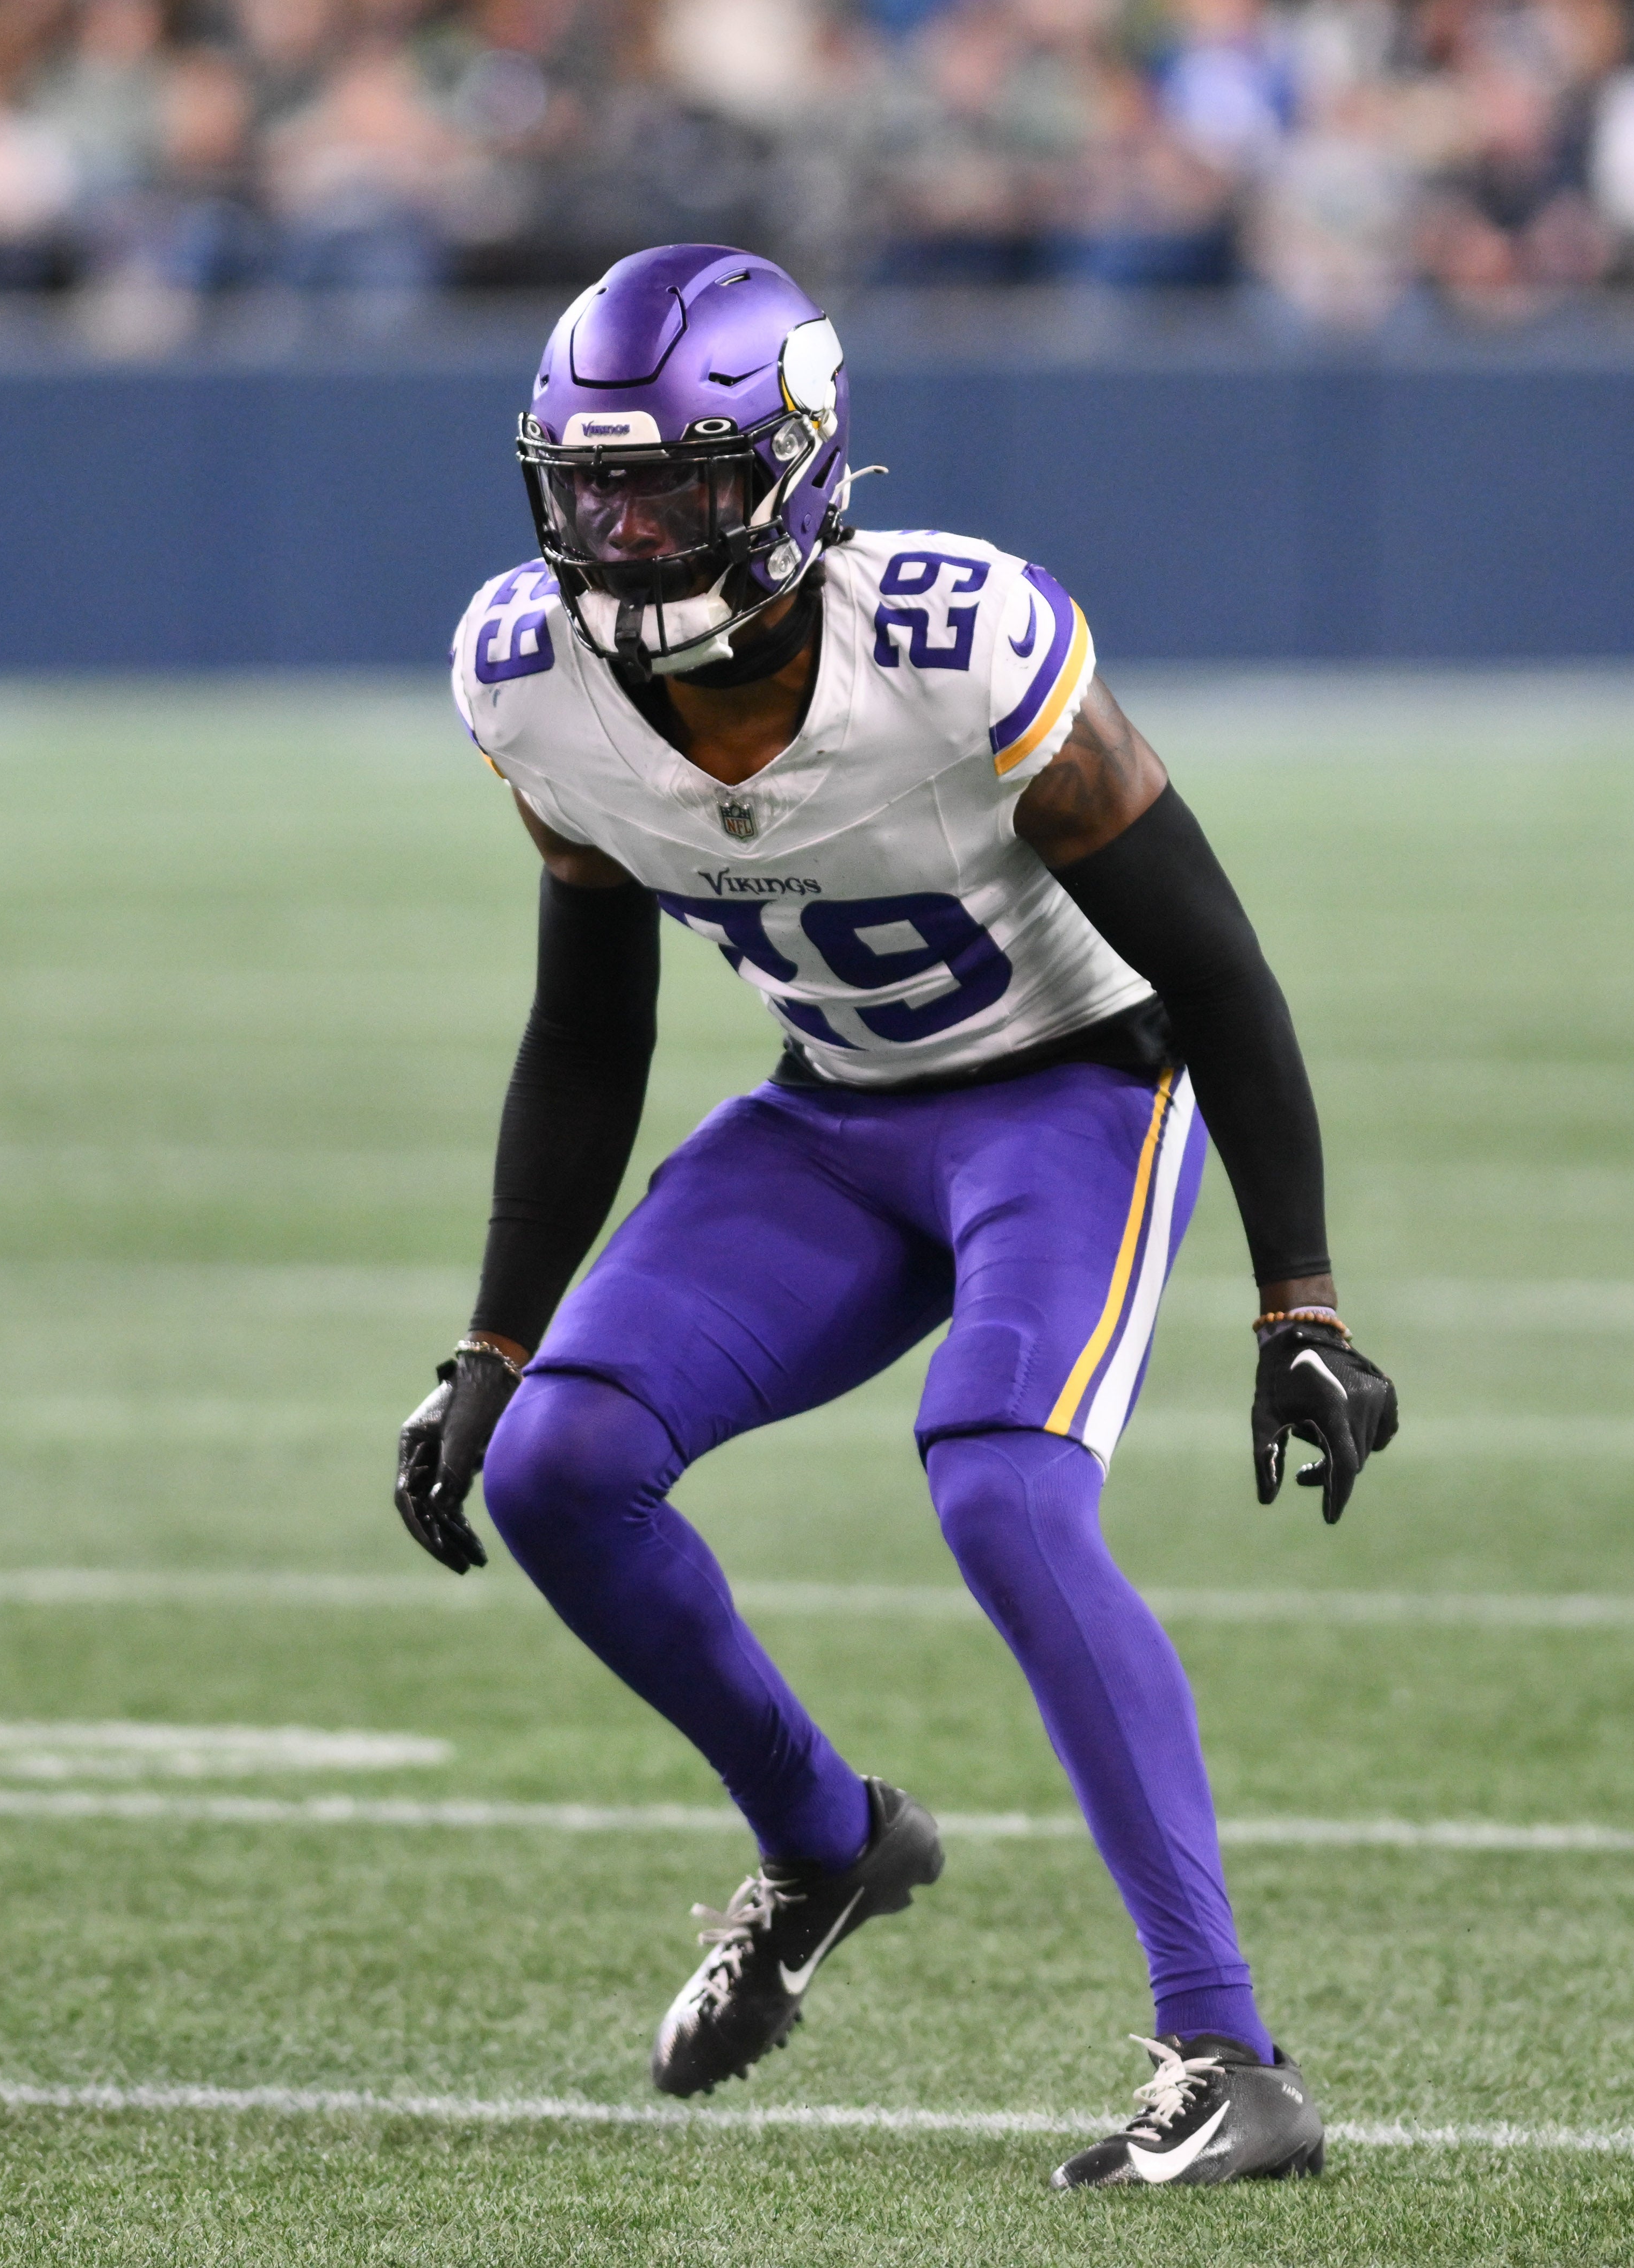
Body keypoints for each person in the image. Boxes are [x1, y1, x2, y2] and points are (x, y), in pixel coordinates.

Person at [395, 242, 1398, 2192]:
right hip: (832, 1115)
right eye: (592, 486)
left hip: (1069, 1099)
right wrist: (494, 1345)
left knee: (1004, 1488)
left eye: (674, 482)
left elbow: (1216, 969)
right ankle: (821, 1836)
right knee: (559, 1462)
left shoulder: (956, 638)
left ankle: (1226, 2050)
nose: (624, 530)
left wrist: (1300, 1298)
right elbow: (587, 1026)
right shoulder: (527, 671)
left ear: (793, 468)